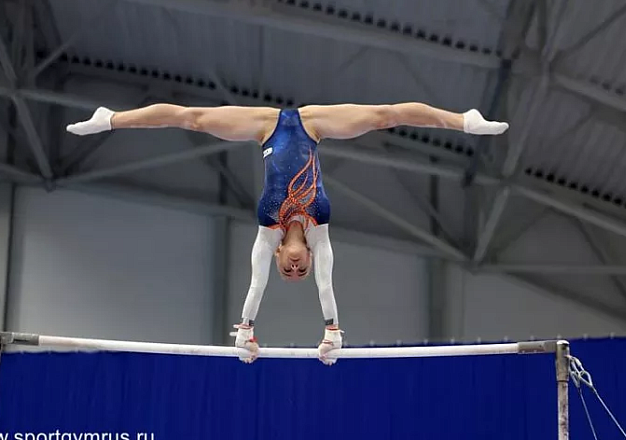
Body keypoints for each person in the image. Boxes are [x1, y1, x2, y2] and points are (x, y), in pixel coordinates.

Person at [67, 102, 508, 364]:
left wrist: (246, 332)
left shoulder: (266, 229)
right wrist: (332, 332)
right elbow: (327, 287)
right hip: (314, 126)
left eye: (289, 271)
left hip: (264, 126)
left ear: (279, 257)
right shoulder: (320, 230)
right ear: (309, 259)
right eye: (302, 271)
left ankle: (109, 119)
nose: (297, 268)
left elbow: (255, 287)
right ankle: (464, 121)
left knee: (195, 119)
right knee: (381, 117)